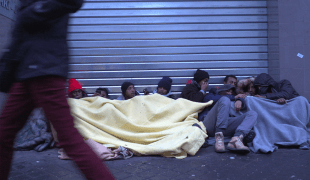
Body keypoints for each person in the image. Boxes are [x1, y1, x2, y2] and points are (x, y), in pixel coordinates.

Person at [0, 1, 114, 179]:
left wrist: (33, 11)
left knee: (69, 139)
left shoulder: (38, 8)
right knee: (3, 133)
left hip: (44, 70)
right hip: (28, 71)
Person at [201, 84, 257, 153]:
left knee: (252, 114)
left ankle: (236, 139)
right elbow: (209, 99)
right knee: (225, 99)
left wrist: (240, 100)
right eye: (227, 91)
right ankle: (219, 137)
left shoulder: (233, 98)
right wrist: (234, 97)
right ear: (220, 91)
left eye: (231, 92)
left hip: (225, 125)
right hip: (209, 124)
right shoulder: (211, 95)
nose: (230, 93)